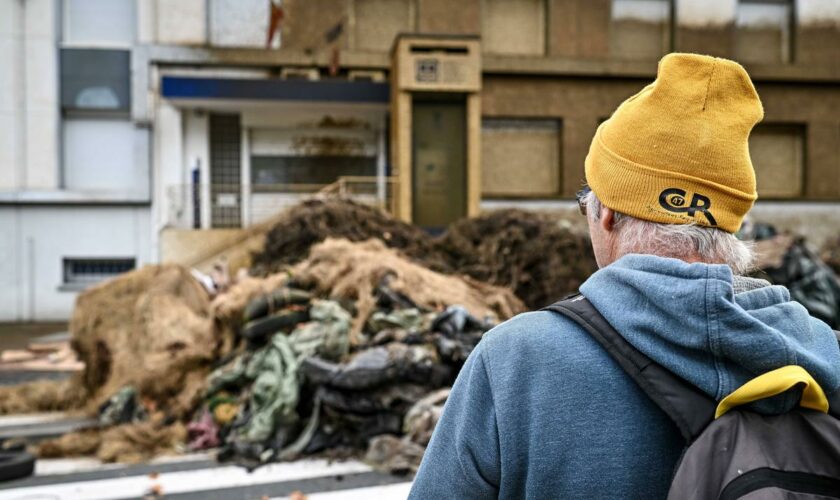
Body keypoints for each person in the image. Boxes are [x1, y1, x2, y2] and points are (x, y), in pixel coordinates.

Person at [409, 53, 840, 498]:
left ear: (609, 212)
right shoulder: (823, 354)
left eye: (587, 204)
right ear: (730, 225)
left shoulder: (517, 363)